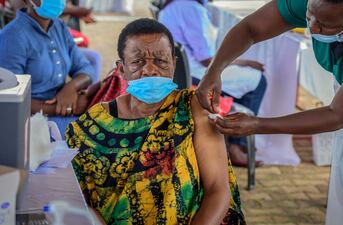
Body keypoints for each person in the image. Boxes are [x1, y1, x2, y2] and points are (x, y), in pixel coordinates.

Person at [196, 0, 343, 224]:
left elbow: (338, 114)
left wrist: (258, 124)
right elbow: (251, 28)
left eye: (324, 24)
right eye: (309, 16)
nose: (312, 27)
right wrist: (213, 71)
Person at [65, 18, 245, 225]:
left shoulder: (192, 108)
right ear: (121, 69)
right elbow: (81, 202)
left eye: (160, 61)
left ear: (173, 64)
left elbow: (218, 189)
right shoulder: (91, 126)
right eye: (138, 61)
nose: (150, 70)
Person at [158, 0, 267, 167]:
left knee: (243, 81)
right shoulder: (191, 8)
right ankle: (237, 145)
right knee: (257, 80)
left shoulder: (175, 4)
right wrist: (244, 62)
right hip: (194, 75)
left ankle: (227, 138)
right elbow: (207, 59)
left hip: (179, 72)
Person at [0, 0, 95, 134]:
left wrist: (71, 87)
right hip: (31, 121)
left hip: (65, 106)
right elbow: (11, 100)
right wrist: (64, 108)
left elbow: (85, 68)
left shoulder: (59, 26)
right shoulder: (12, 37)